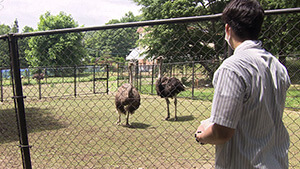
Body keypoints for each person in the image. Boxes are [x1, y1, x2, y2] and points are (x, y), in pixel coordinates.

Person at [194, 0, 291, 168]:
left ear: (227, 29)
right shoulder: (277, 67)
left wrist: (201, 135)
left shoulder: (232, 68)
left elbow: (222, 132)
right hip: (276, 162)